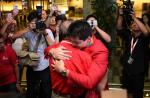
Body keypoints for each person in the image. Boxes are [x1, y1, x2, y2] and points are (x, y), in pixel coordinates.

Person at [45, 20, 109, 98]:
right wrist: (52, 51)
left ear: (88, 40)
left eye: (76, 43)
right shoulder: (78, 39)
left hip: (93, 94)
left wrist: (65, 71)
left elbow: (90, 82)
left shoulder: (100, 52)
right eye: (71, 41)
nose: (73, 45)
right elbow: (49, 48)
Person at [11, 11, 53, 98]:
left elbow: (53, 46)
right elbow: (13, 36)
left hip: (44, 66)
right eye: (32, 22)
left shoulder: (47, 30)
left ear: (40, 21)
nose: (35, 24)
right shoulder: (28, 32)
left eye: (36, 22)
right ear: (29, 22)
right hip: (31, 65)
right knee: (31, 90)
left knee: (45, 91)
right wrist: (28, 28)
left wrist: (44, 32)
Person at [117, 8, 149, 98]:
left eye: (137, 23)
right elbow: (119, 28)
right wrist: (120, 15)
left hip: (138, 72)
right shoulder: (128, 35)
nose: (134, 24)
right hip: (127, 70)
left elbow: (146, 32)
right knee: (126, 93)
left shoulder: (144, 38)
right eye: (133, 23)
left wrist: (134, 18)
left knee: (137, 94)